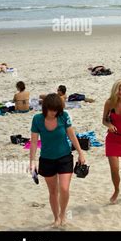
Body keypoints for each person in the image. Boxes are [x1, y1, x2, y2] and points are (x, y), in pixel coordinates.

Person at [30, 93, 86, 227]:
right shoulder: (37, 119)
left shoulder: (64, 116)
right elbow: (33, 142)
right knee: (53, 191)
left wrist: (80, 152)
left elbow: (72, 136)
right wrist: (32, 161)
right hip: (46, 159)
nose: (53, 113)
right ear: (45, 108)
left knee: (64, 188)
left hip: (64, 157)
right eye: (51, 110)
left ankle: (63, 214)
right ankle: (56, 217)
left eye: (56, 110)